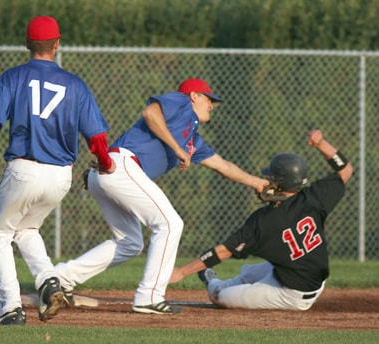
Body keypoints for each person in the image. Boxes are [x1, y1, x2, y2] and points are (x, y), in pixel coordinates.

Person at [55, 78, 269, 314]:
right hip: (122, 165)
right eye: (209, 99)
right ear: (194, 95)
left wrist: (258, 183)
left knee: (130, 243)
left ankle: (60, 278)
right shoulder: (181, 103)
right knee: (170, 224)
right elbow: (150, 113)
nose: (212, 105)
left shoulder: (192, 139)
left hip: (113, 172)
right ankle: (149, 296)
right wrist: (176, 149)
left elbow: (222, 165)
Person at [0, 15, 115, 325]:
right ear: (57, 44)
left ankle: (11, 310)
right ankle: (49, 282)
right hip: (60, 176)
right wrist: (105, 164)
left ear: (27, 44)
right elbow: (97, 139)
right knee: (27, 230)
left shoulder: (13, 77)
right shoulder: (76, 84)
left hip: (23, 170)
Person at [169, 130, 353, 311]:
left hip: (291, 294)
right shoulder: (313, 198)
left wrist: (182, 272)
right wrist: (321, 144)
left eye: (271, 179)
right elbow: (346, 170)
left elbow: (224, 251)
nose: (265, 182)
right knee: (249, 272)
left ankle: (213, 283)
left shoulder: (264, 221)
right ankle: (226, 282)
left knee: (220, 296)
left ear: (280, 184)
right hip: (304, 276)